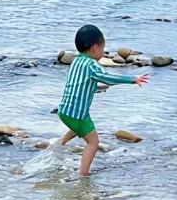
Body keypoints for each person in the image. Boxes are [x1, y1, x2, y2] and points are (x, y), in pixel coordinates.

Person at [58, 23, 148, 176]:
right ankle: (83, 174)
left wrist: (98, 87)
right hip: (78, 114)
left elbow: (80, 84)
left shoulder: (77, 61)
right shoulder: (92, 65)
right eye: (103, 48)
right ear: (95, 48)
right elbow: (109, 77)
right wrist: (133, 79)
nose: (103, 52)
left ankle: (58, 145)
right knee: (93, 142)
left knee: (76, 128)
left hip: (65, 110)